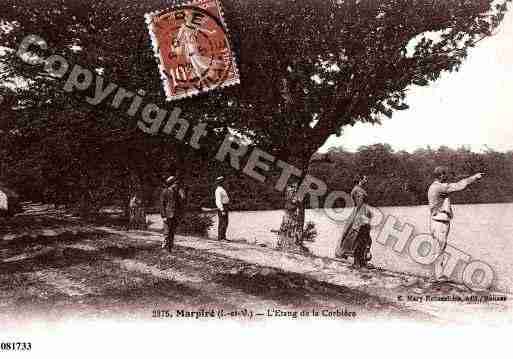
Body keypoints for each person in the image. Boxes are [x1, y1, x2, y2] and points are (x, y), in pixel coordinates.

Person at [428, 166, 484, 281]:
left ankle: (434, 275)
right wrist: (474, 177)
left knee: (437, 248)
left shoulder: (433, 186)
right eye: (445, 174)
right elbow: (459, 186)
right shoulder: (440, 187)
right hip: (440, 222)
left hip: (436, 221)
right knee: (439, 249)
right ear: (441, 175)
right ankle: (437, 276)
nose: (446, 176)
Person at [335, 175, 373, 268]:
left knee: (362, 237)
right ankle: (358, 261)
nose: (366, 180)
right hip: (360, 214)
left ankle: (361, 260)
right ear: (360, 180)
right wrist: (364, 217)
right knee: (359, 236)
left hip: (360, 213)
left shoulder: (358, 189)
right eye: (365, 179)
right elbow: (359, 203)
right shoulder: (357, 190)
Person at [160, 175, 186, 252]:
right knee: (167, 232)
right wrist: (163, 216)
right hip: (167, 215)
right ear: (171, 184)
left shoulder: (177, 192)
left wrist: (182, 194)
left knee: (172, 232)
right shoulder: (165, 191)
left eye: (177, 184)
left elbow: (182, 201)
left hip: (174, 214)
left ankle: (170, 247)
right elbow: (162, 205)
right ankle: (165, 246)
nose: (176, 185)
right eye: (175, 183)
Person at [214, 176, 230, 241]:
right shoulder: (218, 190)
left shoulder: (222, 189)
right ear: (221, 182)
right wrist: (222, 209)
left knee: (225, 222)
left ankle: (223, 237)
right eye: (223, 182)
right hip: (222, 207)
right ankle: (221, 237)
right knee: (222, 222)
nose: (225, 183)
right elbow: (218, 201)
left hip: (225, 206)